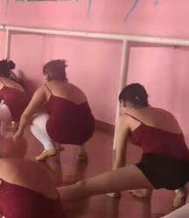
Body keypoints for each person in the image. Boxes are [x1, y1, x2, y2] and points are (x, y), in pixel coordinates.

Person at [58, 84, 189, 208]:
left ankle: (47, 200)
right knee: (158, 162)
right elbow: (165, 149)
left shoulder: (126, 118)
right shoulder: (166, 114)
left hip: (159, 169)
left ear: (123, 103)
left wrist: (114, 189)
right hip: (185, 169)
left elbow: (120, 159)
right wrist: (146, 191)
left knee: (83, 186)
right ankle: (180, 190)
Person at [13, 60, 94, 162]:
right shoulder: (75, 88)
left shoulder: (46, 88)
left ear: (47, 75)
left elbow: (26, 115)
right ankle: (81, 150)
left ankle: (49, 148)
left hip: (62, 132)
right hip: (87, 133)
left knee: (32, 120)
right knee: (77, 117)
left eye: (43, 75)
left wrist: (19, 133)